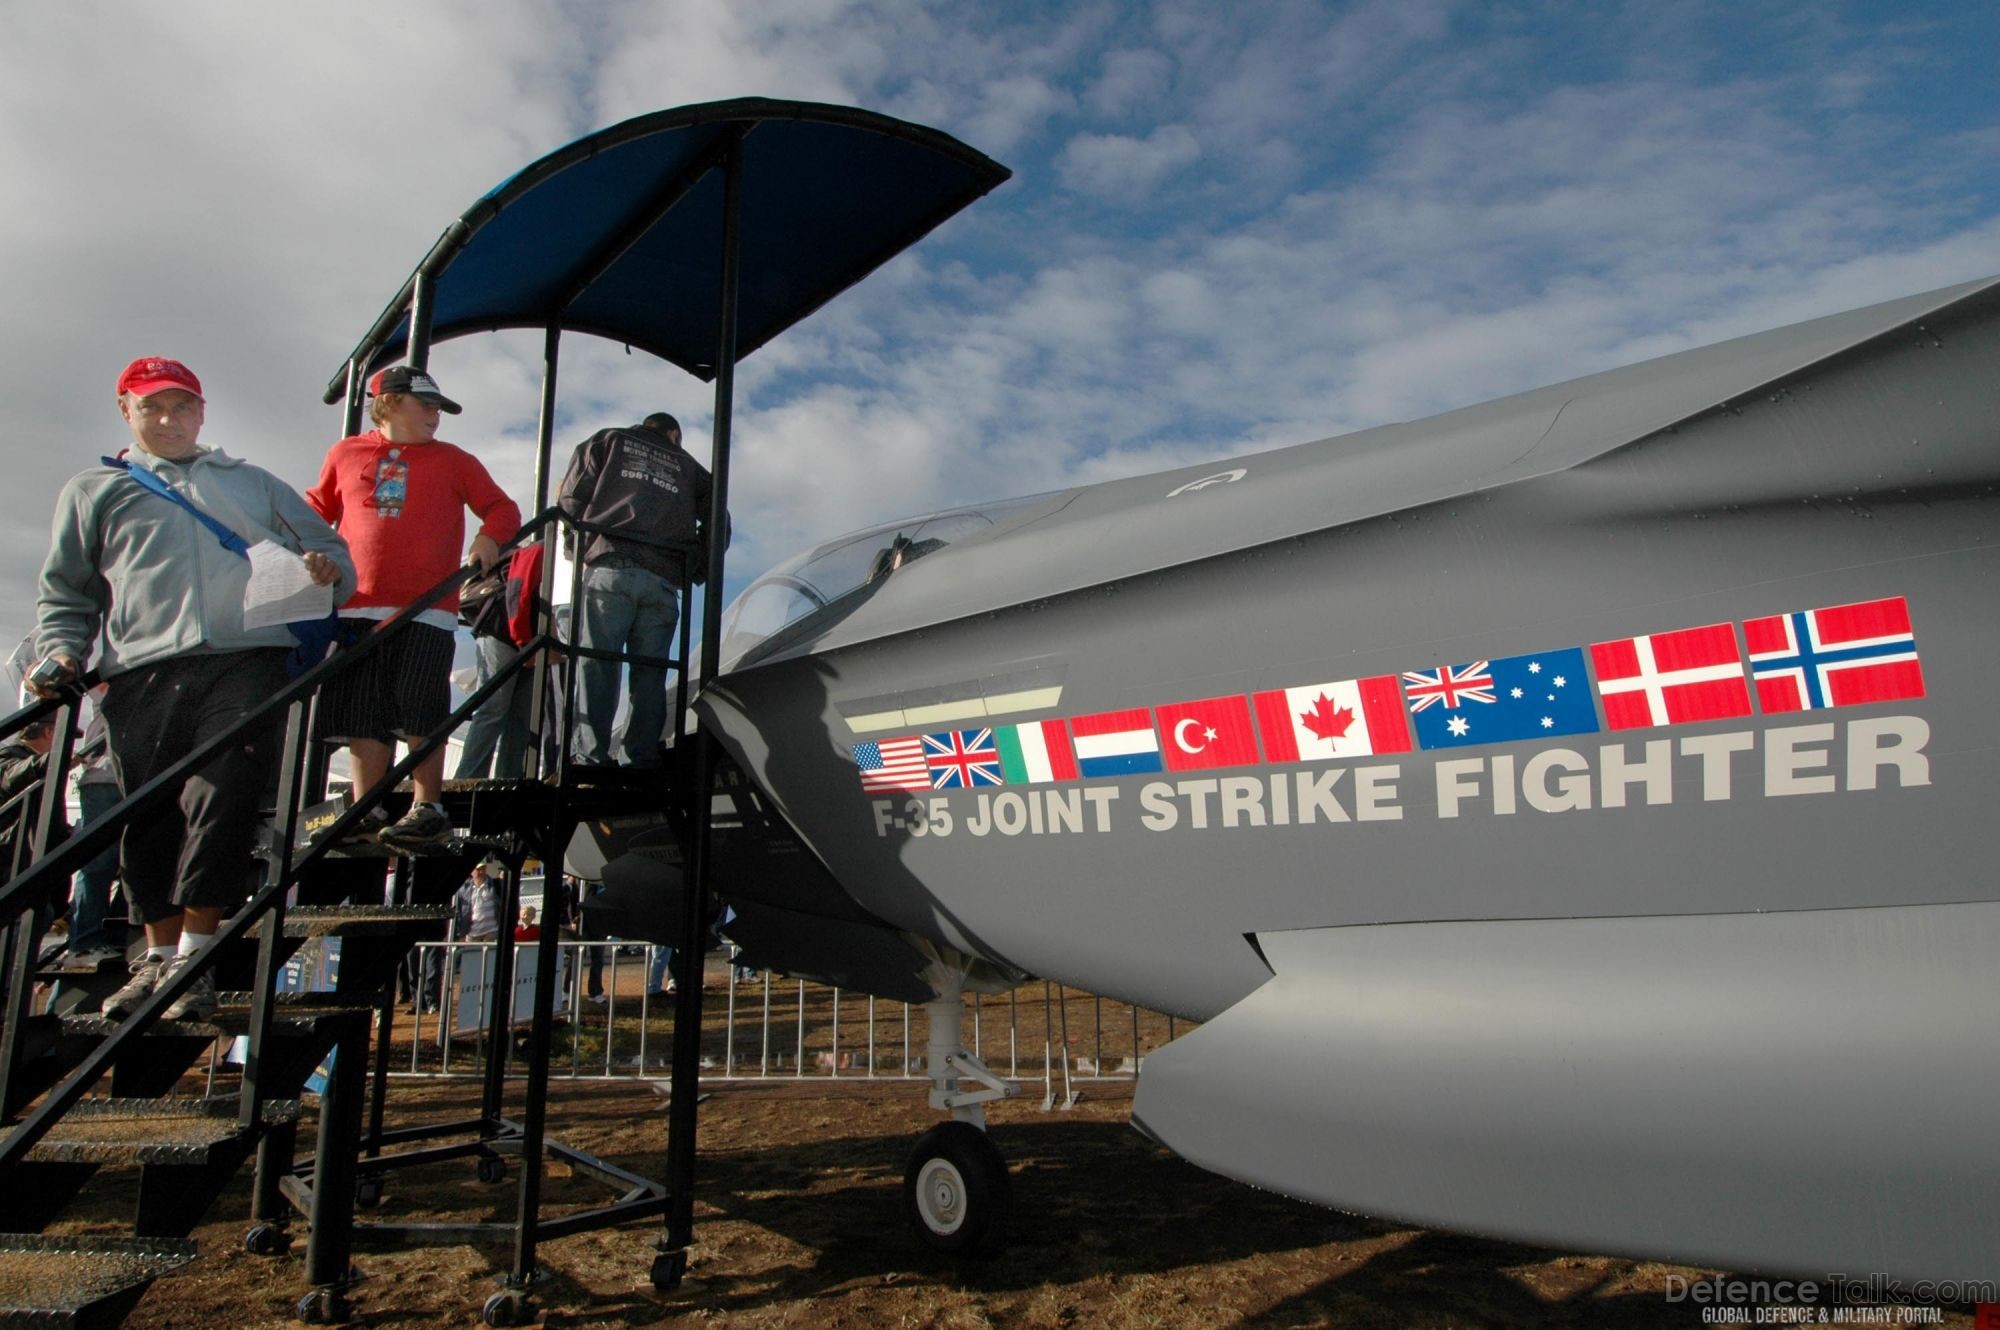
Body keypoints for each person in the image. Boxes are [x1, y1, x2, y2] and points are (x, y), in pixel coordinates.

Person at [33, 356, 352, 1022]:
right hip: (139, 670)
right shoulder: (95, 489)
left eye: (182, 407)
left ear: (202, 412)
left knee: (223, 794)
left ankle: (195, 957)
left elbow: (332, 557)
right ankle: (155, 958)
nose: (169, 420)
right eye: (153, 407)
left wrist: (325, 569)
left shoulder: (253, 482)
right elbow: (68, 591)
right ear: (127, 410)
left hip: (246, 659)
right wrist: (62, 651)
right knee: (148, 815)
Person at [307, 366, 520, 849]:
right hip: (356, 605)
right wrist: (309, 552)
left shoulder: (456, 460)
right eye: (424, 405)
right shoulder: (344, 453)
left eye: (438, 408)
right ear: (387, 404)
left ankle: (429, 806)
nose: (434, 416)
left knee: (422, 707)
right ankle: (368, 806)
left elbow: (503, 508)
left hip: (428, 607)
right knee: (362, 713)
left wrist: (489, 537)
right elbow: (314, 510)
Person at [556, 412, 721, 766]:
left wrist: (576, 548)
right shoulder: (689, 466)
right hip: (662, 579)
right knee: (651, 671)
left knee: (597, 663)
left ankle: (590, 756)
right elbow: (717, 517)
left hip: (611, 566)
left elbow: (571, 496)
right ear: (674, 435)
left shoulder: (608, 440)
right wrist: (698, 568)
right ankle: (640, 755)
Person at [452, 541, 546, 780]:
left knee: (521, 714)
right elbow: (519, 594)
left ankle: (507, 778)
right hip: (504, 630)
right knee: (494, 707)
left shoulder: (556, 551)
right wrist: (524, 640)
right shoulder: (543, 550)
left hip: (527, 637)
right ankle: (469, 777)